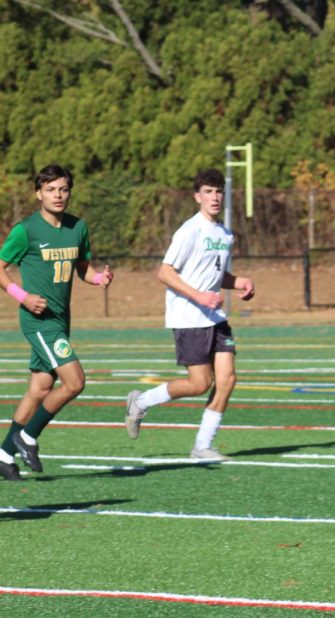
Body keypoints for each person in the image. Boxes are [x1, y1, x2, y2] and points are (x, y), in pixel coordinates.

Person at [123, 168, 255, 460]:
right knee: (199, 384)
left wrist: (239, 282)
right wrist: (199, 297)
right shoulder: (189, 231)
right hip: (189, 317)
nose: (215, 197)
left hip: (215, 318)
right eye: (208, 191)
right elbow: (164, 272)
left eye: (219, 191)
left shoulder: (225, 233)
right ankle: (141, 401)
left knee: (228, 379)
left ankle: (203, 445)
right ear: (197, 197)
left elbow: (215, 276)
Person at [0, 164, 113, 482]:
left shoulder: (78, 227)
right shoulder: (26, 230)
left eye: (63, 189)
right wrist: (22, 296)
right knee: (75, 382)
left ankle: (4, 454)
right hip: (38, 321)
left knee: (40, 387)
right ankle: (28, 436)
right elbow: (0, 267)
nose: (58, 195)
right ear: (38, 193)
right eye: (50, 189)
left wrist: (100, 278)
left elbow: (83, 269)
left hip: (61, 321)